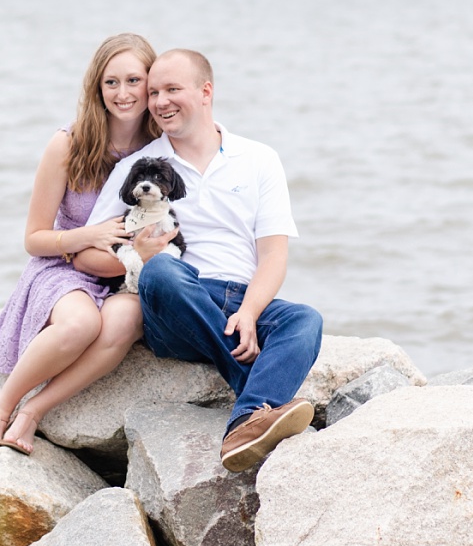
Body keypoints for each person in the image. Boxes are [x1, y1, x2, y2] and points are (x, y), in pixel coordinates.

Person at [74, 48, 323, 473]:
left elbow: (274, 256)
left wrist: (249, 312)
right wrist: (139, 258)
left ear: (206, 91)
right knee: (165, 270)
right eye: (154, 92)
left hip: (238, 300)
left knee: (305, 320)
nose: (160, 101)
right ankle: (257, 395)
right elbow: (86, 255)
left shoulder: (259, 158)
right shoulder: (141, 167)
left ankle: (244, 422)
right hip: (173, 303)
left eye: (173, 89)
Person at [0, 33, 157, 457]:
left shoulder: (160, 150)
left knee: (122, 324)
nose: (123, 93)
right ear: (96, 87)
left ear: (151, 83)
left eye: (133, 80)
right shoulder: (69, 144)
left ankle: (34, 411)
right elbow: (34, 239)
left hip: (126, 274)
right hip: (64, 265)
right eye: (111, 82)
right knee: (80, 325)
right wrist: (85, 237)